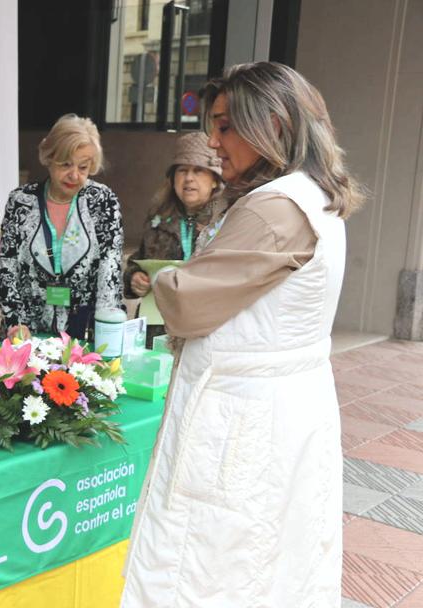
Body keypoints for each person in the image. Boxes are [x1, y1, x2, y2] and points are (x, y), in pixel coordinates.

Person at [121, 62, 364, 606]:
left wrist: (165, 281)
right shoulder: (314, 197)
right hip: (282, 407)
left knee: (214, 567)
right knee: (271, 561)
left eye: (226, 126)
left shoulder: (276, 207)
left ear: (273, 126)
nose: (213, 141)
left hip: (243, 419)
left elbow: (185, 303)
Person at [0, 114, 124, 340]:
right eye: (65, 164)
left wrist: (107, 330)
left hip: (83, 328)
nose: (74, 175)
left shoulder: (102, 201)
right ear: (50, 157)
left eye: (83, 167)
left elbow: (110, 268)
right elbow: (8, 265)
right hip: (27, 330)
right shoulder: (21, 201)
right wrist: (15, 322)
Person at [123, 132, 226, 344]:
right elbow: (138, 260)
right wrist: (134, 278)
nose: (189, 178)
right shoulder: (159, 219)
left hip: (205, 329)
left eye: (198, 171)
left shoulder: (225, 221)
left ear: (215, 180)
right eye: (182, 171)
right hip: (159, 329)